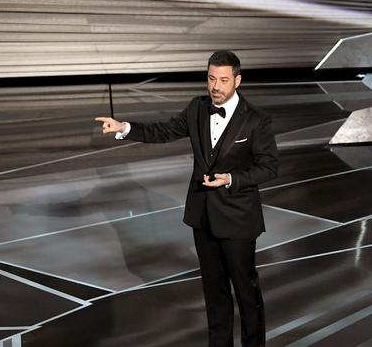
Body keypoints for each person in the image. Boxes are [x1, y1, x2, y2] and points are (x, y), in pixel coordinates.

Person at [96, 51, 278, 347]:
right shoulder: (197, 108)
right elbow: (164, 130)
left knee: (246, 293)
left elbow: (269, 167)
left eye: (223, 80)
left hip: (238, 219)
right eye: (211, 78)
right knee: (214, 293)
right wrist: (124, 128)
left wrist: (231, 179)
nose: (215, 86)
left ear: (237, 81)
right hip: (203, 217)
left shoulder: (256, 120)